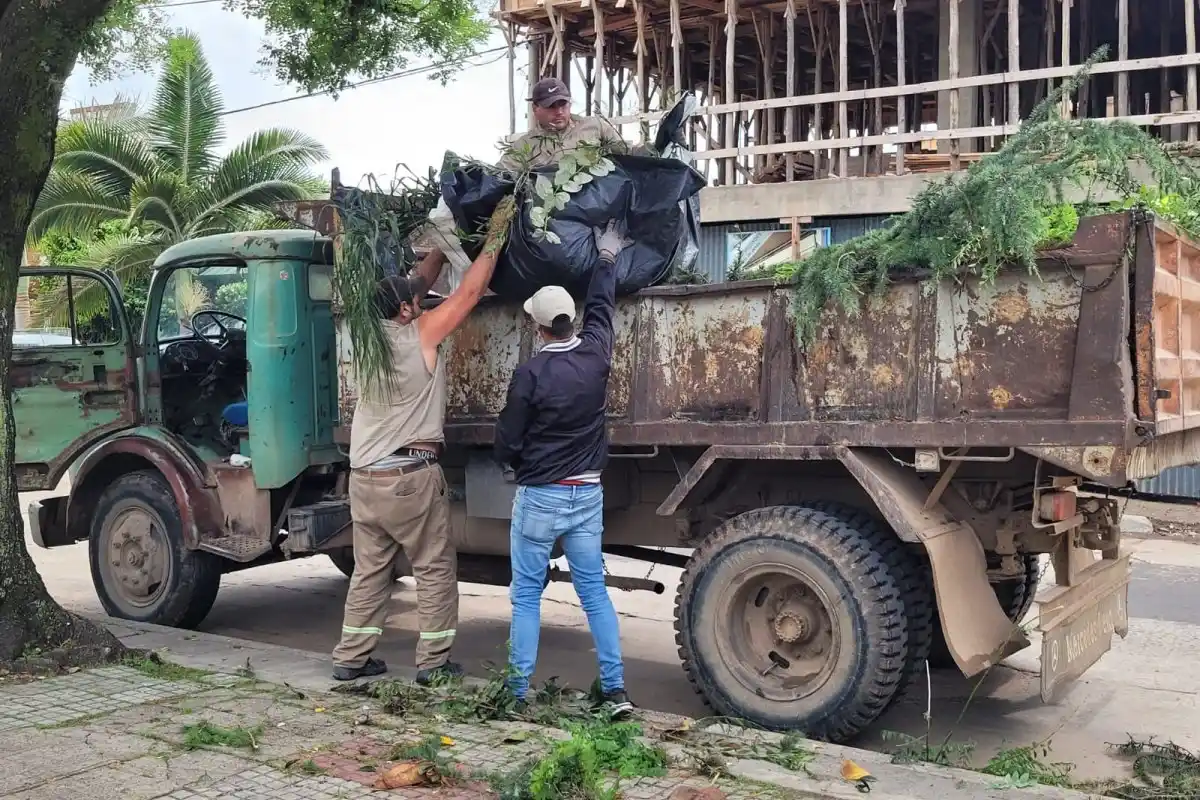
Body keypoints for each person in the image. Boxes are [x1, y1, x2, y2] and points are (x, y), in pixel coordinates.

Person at [331, 226, 503, 684]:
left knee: (370, 570)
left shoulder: (366, 339)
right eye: (416, 299)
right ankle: (434, 663)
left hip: (365, 477)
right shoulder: (420, 337)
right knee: (434, 568)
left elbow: (408, 291)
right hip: (408, 477)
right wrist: (497, 233)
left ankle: (351, 656)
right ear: (407, 311)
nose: (422, 301)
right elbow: (468, 294)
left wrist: (439, 254)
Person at [494, 219, 634, 716]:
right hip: (587, 494)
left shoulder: (530, 373)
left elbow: (508, 436)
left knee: (527, 595)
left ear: (537, 326)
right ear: (570, 321)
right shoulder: (596, 356)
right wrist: (607, 256)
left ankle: (515, 693)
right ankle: (616, 692)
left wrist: (509, 464)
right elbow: (603, 306)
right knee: (593, 592)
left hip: (540, 496)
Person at [498, 77, 630, 172]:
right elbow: (497, 176)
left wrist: (648, 149)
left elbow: (627, 152)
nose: (559, 112)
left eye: (563, 104)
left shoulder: (595, 126)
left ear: (570, 104)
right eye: (551, 106)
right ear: (535, 109)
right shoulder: (523, 147)